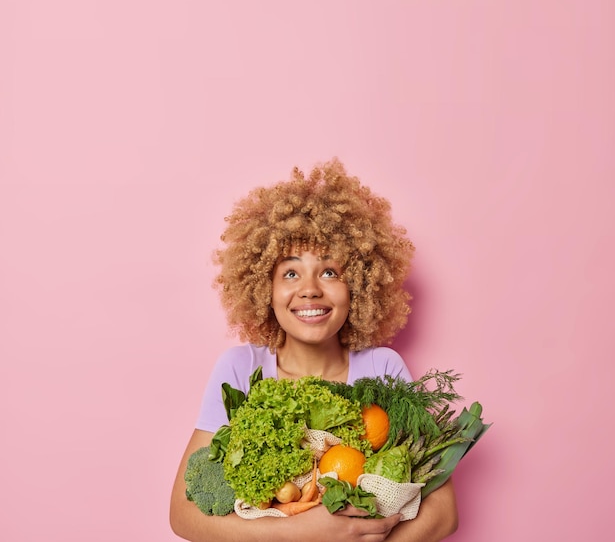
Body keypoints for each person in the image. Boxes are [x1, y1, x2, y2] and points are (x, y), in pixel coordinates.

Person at [170, 158, 459, 542]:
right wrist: (300, 533)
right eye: (290, 273)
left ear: (359, 285)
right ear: (263, 288)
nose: (310, 289)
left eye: (330, 272)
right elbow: (182, 515)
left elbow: (444, 512)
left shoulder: (382, 367)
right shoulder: (241, 368)